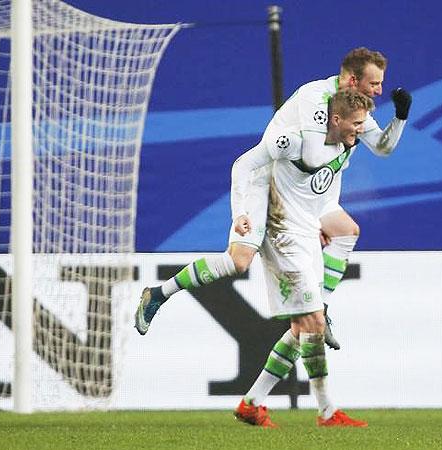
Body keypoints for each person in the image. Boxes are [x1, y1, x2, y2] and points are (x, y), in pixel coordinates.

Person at [134, 47, 412, 350]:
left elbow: (383, 148)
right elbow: (312, 155)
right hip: (267, 184)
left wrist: (400, 117)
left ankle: (323, 306)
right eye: (374, 84)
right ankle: (159, 293)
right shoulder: (315, 98)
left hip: (302, 192)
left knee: (346, 231)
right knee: (238, 261)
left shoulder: (353, 111)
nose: (380, 90)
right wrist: (247, 212)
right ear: (353, 80)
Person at [231, 89, 374, 427]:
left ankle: (252, 403)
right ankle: (326, 412)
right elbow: (248, 165)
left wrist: (317, 221)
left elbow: (316, 193)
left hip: (304, 233)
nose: (361, 130)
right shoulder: (293, 142)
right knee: (312, 323)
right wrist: (245, 214)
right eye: (356, 124)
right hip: (282, 236)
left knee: (303, 327)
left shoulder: (340, 149)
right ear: (335, 120)